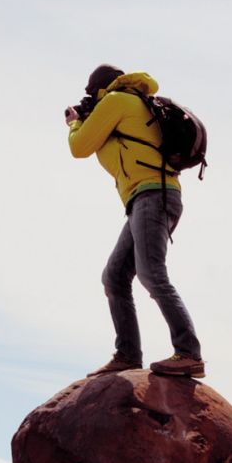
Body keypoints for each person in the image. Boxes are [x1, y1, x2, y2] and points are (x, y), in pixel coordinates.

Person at [66, 63, 205, 379]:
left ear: (99, 89)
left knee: (151, 273)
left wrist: (75, 123)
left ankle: (189, 353)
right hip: (148, 197)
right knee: (115, 276)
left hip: (152, 195)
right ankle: (127, 355)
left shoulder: (116, 100)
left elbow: (79, 147)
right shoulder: (134, 102)